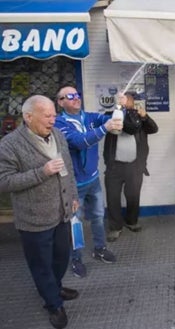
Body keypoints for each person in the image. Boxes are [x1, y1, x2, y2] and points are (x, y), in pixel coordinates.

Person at [0, 95, 79, 329]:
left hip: (61, 213)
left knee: (61, 257)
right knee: (41, 265)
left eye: (54, 115)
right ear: (28, 116)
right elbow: (4, 181)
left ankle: (54, 287)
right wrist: (41, 172)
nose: (52, 120)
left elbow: (68, 169)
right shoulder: (10, 144)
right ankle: (53, 304)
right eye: (47, 116)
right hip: (34, 220)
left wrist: (73, 196)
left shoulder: (58, 135)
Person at [55, 85, 122, 278]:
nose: (76, 98)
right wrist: (105, 128)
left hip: (93, 180)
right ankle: (76, 259)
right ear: (60, 102)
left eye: (77, 94)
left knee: (99, 217)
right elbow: (79, 141)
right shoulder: (59, 124)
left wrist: (120, 107)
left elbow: (112, 120)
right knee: (75, 223)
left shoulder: (90, 117)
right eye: (70, 95)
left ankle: (99, 249)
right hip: (74, 186)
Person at [105, 93, 158, 242]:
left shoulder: (139, 116)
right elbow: (117, 126)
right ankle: (115, 227)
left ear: (133, 102)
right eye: (121, 99)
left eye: (127, 99)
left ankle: (131, 221)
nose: (124, 101)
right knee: (112, 197)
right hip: (114, 165)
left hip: (135, 165)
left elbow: (154, 129)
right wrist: (119, 109)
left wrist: (145, 116)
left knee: (133, 195)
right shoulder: (111, 115)